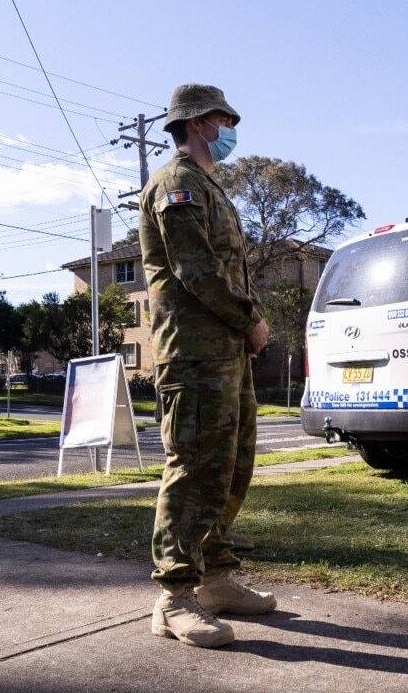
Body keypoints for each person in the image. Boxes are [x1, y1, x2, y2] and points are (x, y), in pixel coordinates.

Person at [139, 83, 273, 648]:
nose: (229, 130)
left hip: (225, 353)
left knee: (231, 465)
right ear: (198, 123)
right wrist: (249, 320)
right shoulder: (176, 185)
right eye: (223, 120)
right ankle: (173, 598)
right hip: (193, 354)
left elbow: (231, 269)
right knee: (195, 468)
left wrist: (248, 322)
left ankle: (216, 580)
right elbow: (196, 270)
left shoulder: (209, 186)